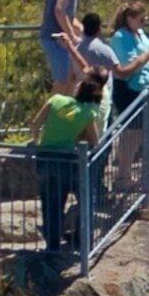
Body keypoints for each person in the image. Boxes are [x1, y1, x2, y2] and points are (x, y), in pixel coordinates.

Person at [33, 71, 96, 257]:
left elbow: (36, 124)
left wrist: (37, 143)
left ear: (77, 89)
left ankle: (52, 246)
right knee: (85, 199)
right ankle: (85, 241)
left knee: (51, 203)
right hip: (70, 159)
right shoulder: (88, 113)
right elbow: (95, 140)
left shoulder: (56, 100)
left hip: (46, 156)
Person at [41, 0, 90, 92]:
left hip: (55, 38)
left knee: (69, 82)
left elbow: (67, 16)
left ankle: (61, 114)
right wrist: (72, 36)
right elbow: (59, 10)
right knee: (62, 83)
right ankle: (50, 114)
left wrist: (82, 30)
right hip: (56, 39)